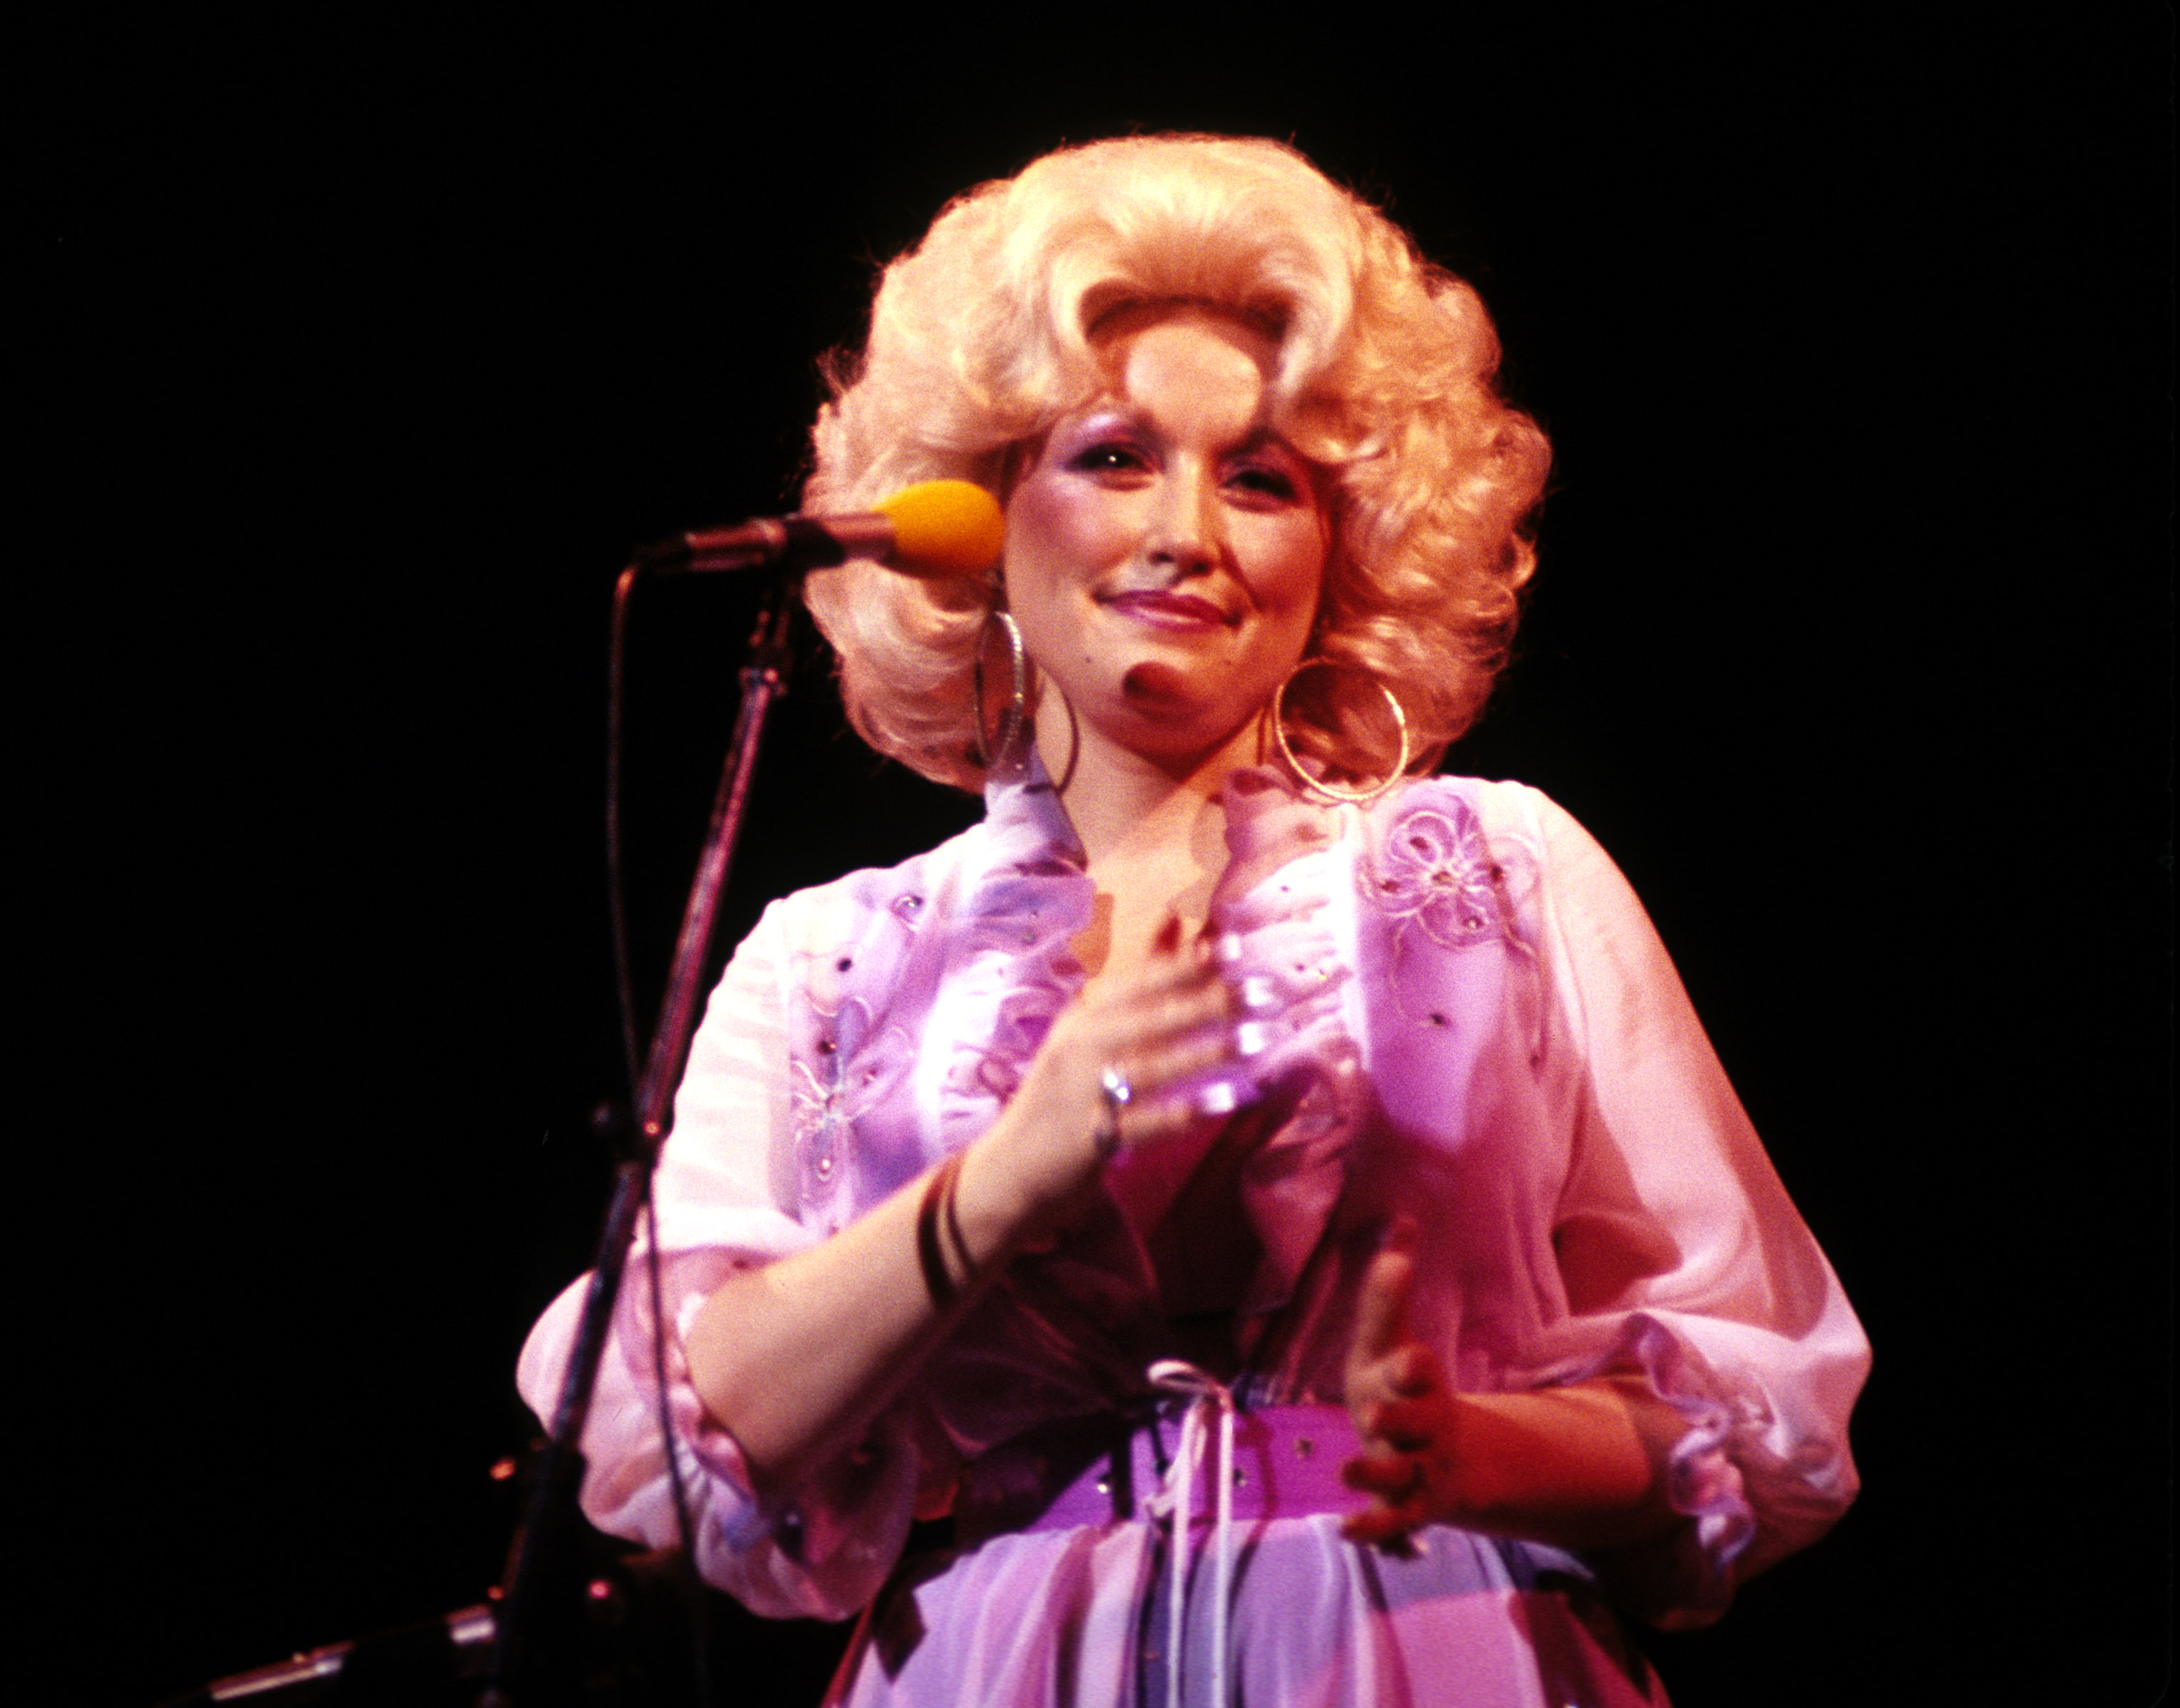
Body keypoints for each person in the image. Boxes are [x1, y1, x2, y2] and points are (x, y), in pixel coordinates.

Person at [521, 134, 1867, 1707]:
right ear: (981, 511)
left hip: (1419, 1650)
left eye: (1262, 479)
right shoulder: (837, 956)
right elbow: (684, 1447)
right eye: (1113, 458)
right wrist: (1006, 1179)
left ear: (1343, 548)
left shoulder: (1498, 871)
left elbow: (1763, 1404)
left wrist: (1466, 1446)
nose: (1189, 533)